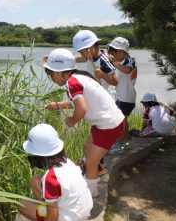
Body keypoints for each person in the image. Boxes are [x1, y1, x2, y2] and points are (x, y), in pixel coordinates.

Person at [43, 48, 125, 197]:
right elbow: (77, 101)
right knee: (88, 150)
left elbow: (81, 109)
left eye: (50, 74)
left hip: (108, 125)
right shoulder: (80, 77)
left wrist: (72, 120)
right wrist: (58, 105)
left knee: (90, 163)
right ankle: (92, 177)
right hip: (107, 122)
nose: (51, 78)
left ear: (58, 72)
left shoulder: (72, 82)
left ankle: (90, 194)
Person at [17, 123, 93, 221]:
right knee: (35, 180)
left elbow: (53, 217)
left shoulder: (51, 177)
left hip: (68, 218)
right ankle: (48, 204)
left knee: (21, 204)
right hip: (83, 213)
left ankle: (46, 207)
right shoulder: (69, 163)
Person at [107, 37, 137, 153]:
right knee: (123, 120)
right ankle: (124, 142)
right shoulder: (120, 62)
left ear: (122, 52)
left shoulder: (130, 61)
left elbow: (127, 70)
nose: (113, 54)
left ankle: (119, 145)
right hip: (122, 97)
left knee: (121, 121)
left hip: (126, 97)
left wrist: (113, 62)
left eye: (115, 52)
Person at [73, 30, 118, 100]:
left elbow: (115, 82)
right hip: (98, 97)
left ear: (90, 48)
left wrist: (103, 75)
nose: (81, 55)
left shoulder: (104, 60)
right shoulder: (89, 57)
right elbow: (77, 59)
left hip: (108, 99)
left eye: (82, 52)